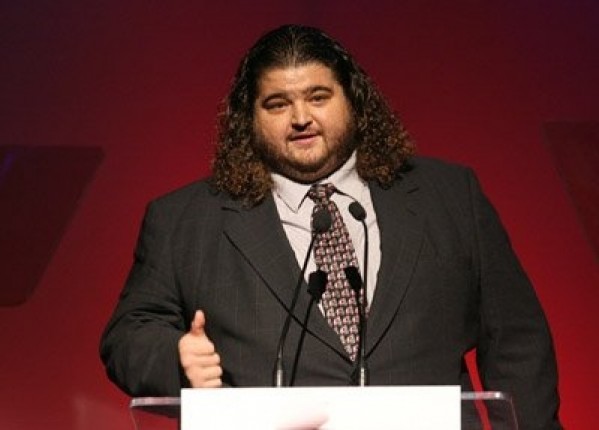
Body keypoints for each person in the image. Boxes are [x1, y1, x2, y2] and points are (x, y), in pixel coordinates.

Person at [100, 24, 561, 428]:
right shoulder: (185, 219)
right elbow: (128, 336)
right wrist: (176, 358)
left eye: (318, 97)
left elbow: (517, 339)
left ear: (354, 100)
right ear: (249, 119)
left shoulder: (450, 196)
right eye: (277, 104)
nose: (301, 118)